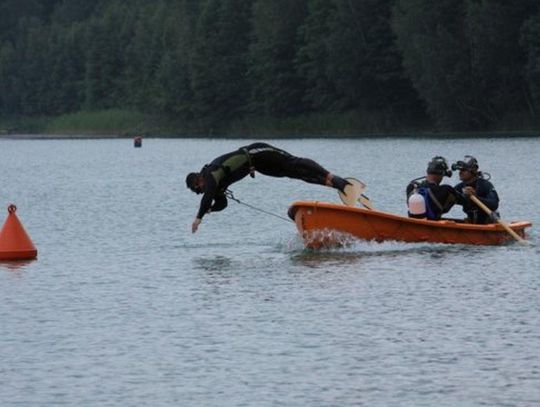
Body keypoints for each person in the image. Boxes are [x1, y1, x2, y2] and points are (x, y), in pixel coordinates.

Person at [186, 142, 351, 233]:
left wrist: (198, 218)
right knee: (293, 174)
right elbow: (222, 203)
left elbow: (207, 196)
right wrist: (212, 209)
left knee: (292, 162)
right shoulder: (215, 186)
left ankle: (332, 177)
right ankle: (332, 185)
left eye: (198, 189)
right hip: (258, 167)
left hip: (255, 152)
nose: (201, 191)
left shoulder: (209, 173)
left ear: (198, 180)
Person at [406, 156, 458, 220]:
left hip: (413, 223)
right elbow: (465, 201)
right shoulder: (446, 190)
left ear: (427, 171)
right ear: (442, 174)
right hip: (433, 224)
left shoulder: (411, 187)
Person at [452, 155, 499, 224]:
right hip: (472, 221)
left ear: (473, 171)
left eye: (463, 170)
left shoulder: (485, 185)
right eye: (459, 170)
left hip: (488, 223)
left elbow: (494, 204)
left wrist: (475, 197)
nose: (460, 173)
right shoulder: (460, 187)